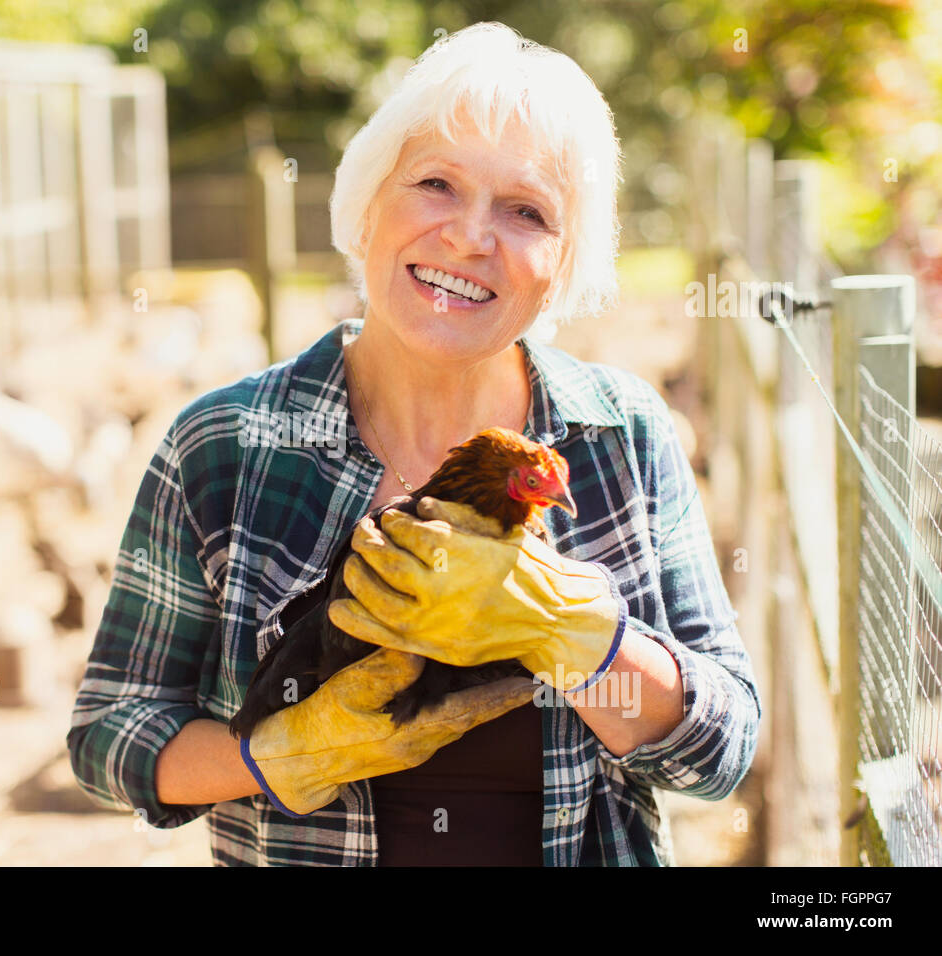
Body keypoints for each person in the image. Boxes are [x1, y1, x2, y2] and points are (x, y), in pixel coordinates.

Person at [67, 21, 760, 866]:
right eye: (435, 183)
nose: (471, 236)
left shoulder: (621, 435)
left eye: (526, 211)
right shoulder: (223, 447)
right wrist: (276, 756)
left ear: (563, 266)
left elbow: (722, 754)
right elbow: (111, 734)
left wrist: (586, 643)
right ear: (364, 210)